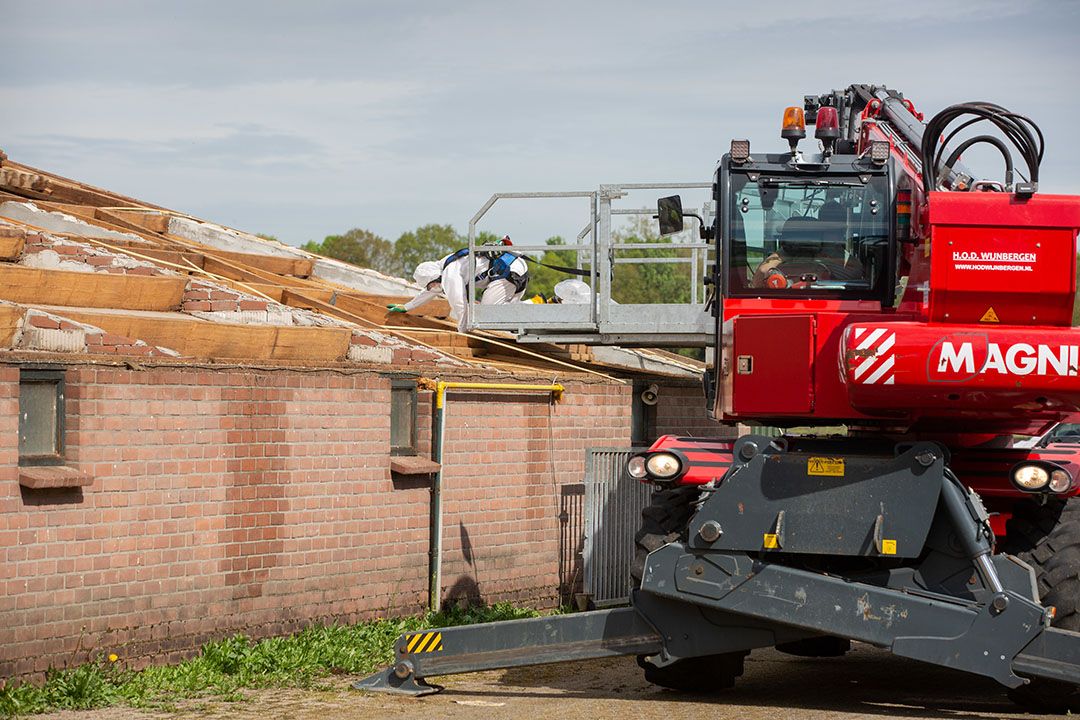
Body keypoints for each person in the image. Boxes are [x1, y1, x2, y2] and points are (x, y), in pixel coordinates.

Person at [387, 237, 529, 332]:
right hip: (512, 270)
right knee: (503, 310)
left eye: (431, 285)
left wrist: (463, 330)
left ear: (436, 277)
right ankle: (533, 304)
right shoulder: (445, 265)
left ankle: (533, 306)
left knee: (488, 312)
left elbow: (460, 304)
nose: (433, 289)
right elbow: (430, 292)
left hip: (509, 272)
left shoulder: (450, 274)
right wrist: (407, 306)